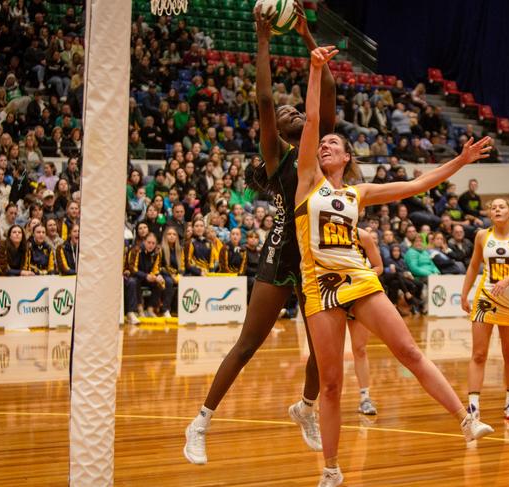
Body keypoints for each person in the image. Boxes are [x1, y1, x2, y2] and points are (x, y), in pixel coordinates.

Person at [295, 46, 494, 486]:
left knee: (408, 351)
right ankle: (330, 470)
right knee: (331, 384)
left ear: (347, 158)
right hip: (319, 285)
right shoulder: (306, 182)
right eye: (323, 143)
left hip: (359, 278)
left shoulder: (357, 194)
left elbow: (417, 183)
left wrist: (459, 161)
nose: (326, 145)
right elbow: (311, 122)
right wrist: (315, 71)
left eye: (335, 144)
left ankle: (465, 419)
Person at [184, 4, 336, 465]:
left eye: (297, 108)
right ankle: (200, 422)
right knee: (248, 344)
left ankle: (304, 408)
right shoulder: (278, 156)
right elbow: (266, 100)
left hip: (318, 259)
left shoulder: (319, 144)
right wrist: (264, 37)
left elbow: (326, 88)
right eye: (287, 112)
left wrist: (309, 39)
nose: (290, 109)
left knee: (324, 353)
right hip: (280, 253)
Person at [461, 199, 509, 424]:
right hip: (485, 298)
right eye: (493, 207)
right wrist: (464, 294)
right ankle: (473, 405)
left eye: (501, 207)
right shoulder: (482, 236)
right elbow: (474, 266)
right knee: (478, 354)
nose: (496, 210)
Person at [348, 228, 382, 415]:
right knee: (327, 353)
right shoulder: (321, 232)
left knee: (360, 349)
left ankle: (365, 398)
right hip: (331, 294)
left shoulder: (363, 236)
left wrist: (363, 278)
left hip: (358, 295)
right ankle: (319, 399)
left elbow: (378, 266)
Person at [159, 227, 183, 317]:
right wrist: (171, 276)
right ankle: (165, 309)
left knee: (185, 280)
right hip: (164, 274)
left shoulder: (180, 250)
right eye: (169, 234)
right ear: (165, 236)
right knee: (169, 282)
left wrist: (180, 275)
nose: (172, 236)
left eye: (174, 234)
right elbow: (159, 267)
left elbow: (182, 266)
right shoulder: (161, 249)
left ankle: (178, 309)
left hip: (176, 274)